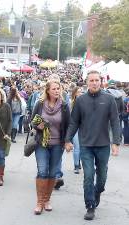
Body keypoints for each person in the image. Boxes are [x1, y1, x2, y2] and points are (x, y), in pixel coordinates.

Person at [65, 70, 120, 220]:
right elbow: (74, 122)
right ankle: (90, 206)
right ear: (87, 82)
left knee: (101, 178)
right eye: (91, 80)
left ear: (101, 81)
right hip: (86, 145)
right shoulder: (81, 100)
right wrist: (68, 140)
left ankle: (97, 192)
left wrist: (116, 141)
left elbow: (115, 121)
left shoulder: (109, 99)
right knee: (88, 176)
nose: (94, 83)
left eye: (97, 80)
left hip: (103, 145)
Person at [31, 79, 70, 215]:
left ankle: (47, 200)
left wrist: (67, 141)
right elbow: (32, 121)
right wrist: (38, 126)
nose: (56, 91)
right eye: (53, 89)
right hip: (42, 143)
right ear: (47, 90)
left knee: (53, 173)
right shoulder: (40, 104)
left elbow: (68, 125)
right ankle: (39, 202)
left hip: (57, 145)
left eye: (58, 89)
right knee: (42, 171)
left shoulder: (64, 106)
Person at [70, 86, 83, 174]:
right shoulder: (71, 103)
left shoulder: (86, 102)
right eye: (78, 92)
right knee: (77, 147)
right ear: (74, 94)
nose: (80, 93)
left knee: (82, 147)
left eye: (81, 92)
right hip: (75, 128)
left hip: (84, 128)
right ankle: (76, 165)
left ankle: (78, 162)